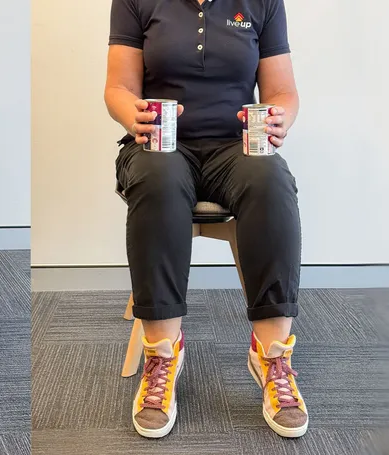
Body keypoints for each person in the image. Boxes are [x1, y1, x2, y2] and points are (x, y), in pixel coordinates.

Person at [104, 0, 306, 439]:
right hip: (159, 143)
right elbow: (118, 86)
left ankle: (271, 356)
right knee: (157, 179)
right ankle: (162, 354)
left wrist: (278, 117)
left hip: (236, 148)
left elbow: (283, 91)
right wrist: (130, 113)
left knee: (270, 179)